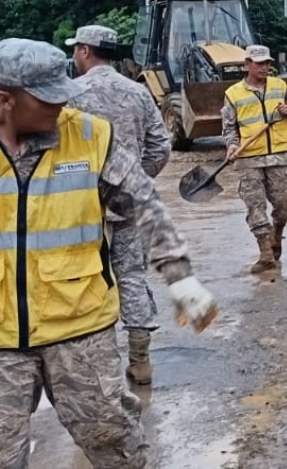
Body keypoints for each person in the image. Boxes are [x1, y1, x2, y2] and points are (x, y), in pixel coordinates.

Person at [0, 38, 217, 468]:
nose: (62, 106)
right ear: (6, 100)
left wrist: (182, 278)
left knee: (117, 446)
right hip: (2, 346)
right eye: (48, 100)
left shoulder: (88, 136)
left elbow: (144, 204)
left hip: (80, 332)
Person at [66, 25, 170, 387]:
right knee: (132, 277)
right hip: (131, 202)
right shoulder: (138, 93)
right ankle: (140, 361)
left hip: (80, 204)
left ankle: (96, 364)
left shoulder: (71, 94)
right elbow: (161, 147)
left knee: (80, 279)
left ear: (84, 50)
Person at [221, 45, 287, 273]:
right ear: (247, 64)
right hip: (248, 159)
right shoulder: (233, 94)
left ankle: (277, 233)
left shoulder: (279, 86)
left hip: (278, 156)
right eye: (259, 63)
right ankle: (265, 251)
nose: (264, 67)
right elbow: (228, 128)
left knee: (285, 204)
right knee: (255, 206)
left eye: (267, 63)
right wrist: (232, 146)